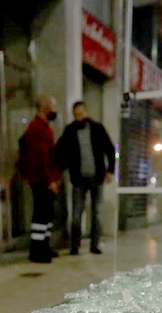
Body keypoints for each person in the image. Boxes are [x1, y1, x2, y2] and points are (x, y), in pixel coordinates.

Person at [55, 101, 115, 255]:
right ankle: (75, 246)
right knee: (76, 214)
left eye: (81, 113)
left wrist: (110, 170)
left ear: (86, 112)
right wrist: (63, 168)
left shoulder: (97, 128)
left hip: (97, 178)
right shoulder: (70, 130)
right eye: (76, 115)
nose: (79, 117)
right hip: (78, 180)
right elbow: (59, 150)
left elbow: (110, 149)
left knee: (96, 213)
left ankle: (94, 244)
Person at [18, 94, 62, 263]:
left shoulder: (43, 127)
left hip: (43, 178)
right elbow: (41, 157)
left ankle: (43, 247)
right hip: (42, 180)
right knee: (41, 215)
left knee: (46, 215)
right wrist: (50, 179)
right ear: (45, 107)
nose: (55, 109)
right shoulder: (38, 128)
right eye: (53, 106)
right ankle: (37, 251)